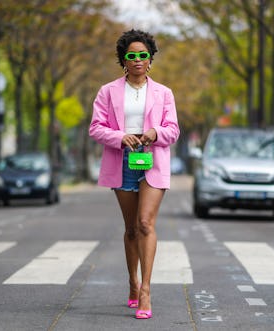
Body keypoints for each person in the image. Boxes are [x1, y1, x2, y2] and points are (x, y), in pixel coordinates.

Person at [89, 29, 180, 319]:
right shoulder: (108, 91)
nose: (138, 59)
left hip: (152, 161)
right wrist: (120, 137)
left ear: (150, 60)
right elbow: (96, 127)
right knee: (130, 229)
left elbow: (173, 130)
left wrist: (154, 133)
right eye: (132, 55)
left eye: (143, 55)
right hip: (123, 162)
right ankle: (132, 282)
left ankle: (146, 291)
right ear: (124, 61)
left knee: (145, 223)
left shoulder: (164, 93)